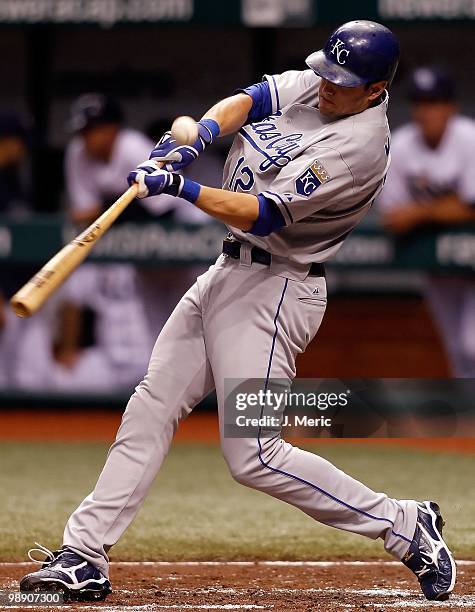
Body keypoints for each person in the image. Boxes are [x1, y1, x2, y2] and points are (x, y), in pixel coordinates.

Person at [20, 21, 456, 603]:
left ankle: (403, 525)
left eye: (343, 81)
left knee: (254, 455)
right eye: (325, 72)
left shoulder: (359, 148)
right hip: (228, 273)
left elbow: (263, 214)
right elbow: (249, 101)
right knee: (152, 403)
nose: (326, 86)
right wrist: (197, 136)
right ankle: (84, 554)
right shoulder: (319, 81)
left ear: (376, 90)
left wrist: (182, 187)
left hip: (277, 289)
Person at [380, 66, 475, 377]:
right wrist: (449, 207)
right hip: (437, 262)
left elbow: (472, 206)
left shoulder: (469, 138)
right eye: (420, 103)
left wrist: (421, 212)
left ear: (450, 107)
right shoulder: (402, 144)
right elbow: (394, 215)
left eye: (434, 102)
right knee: (455, 349)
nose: (426, 112)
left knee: (472, 343)